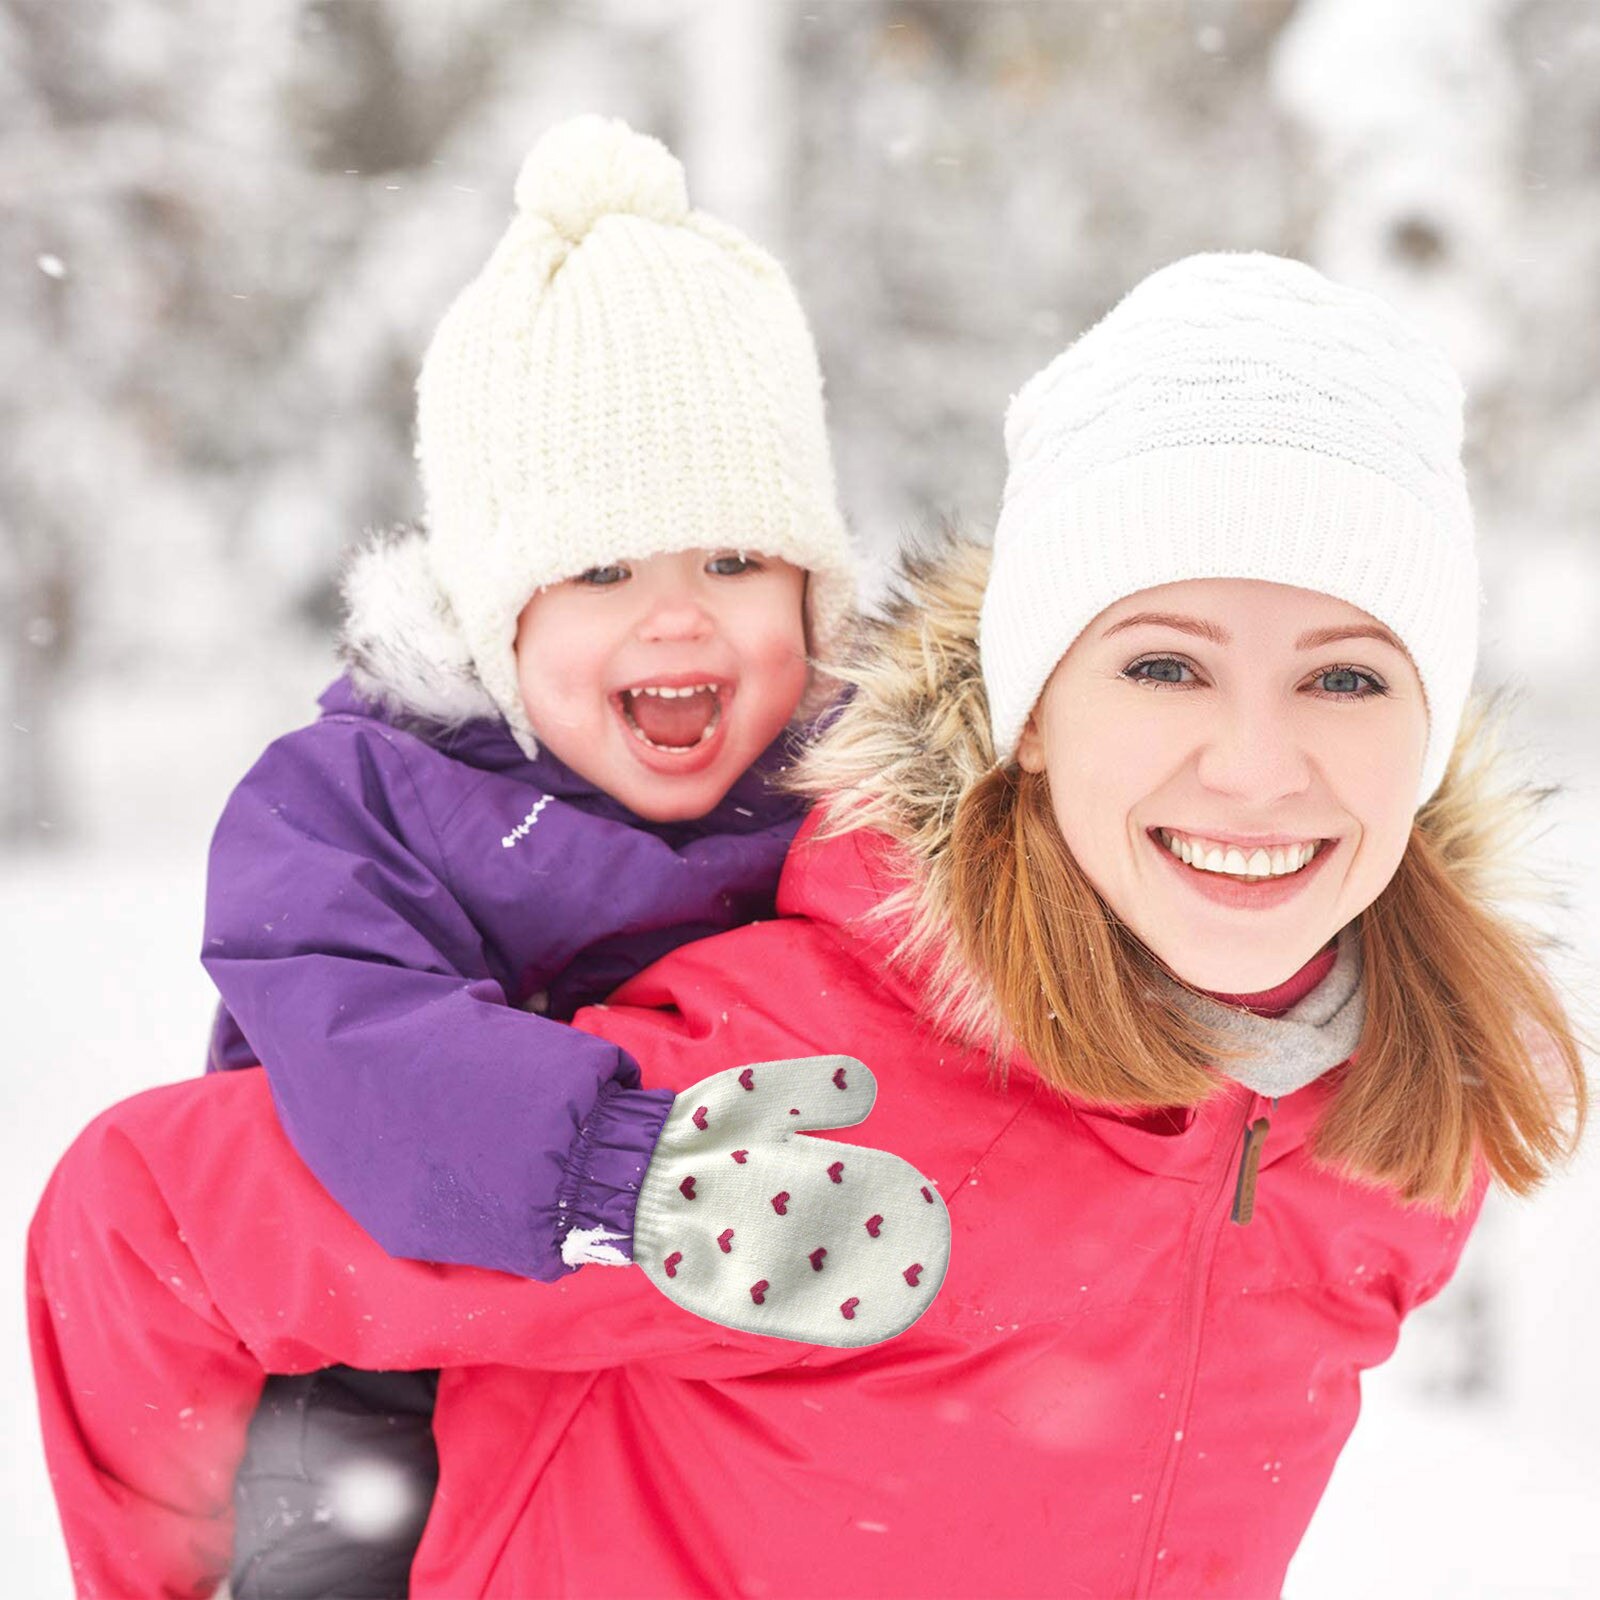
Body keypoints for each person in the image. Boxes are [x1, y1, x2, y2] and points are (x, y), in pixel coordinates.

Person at [30, 252, 1587, 1597]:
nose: (1256, 765)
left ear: (1434, 727)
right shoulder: (797, 1091)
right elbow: (147, 1226)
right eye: (1165, 667)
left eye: (1347, 676)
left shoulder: (1396, 1120)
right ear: (1030, 717)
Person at [94, 112, 949, 1598]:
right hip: (391, 1382)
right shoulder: (360, 799)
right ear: (499, 614)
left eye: (736, 561)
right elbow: (367, 1048)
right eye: (603, 569)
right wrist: (614, 1165)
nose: (676, 617)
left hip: (706, 1379)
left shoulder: (847, 801)